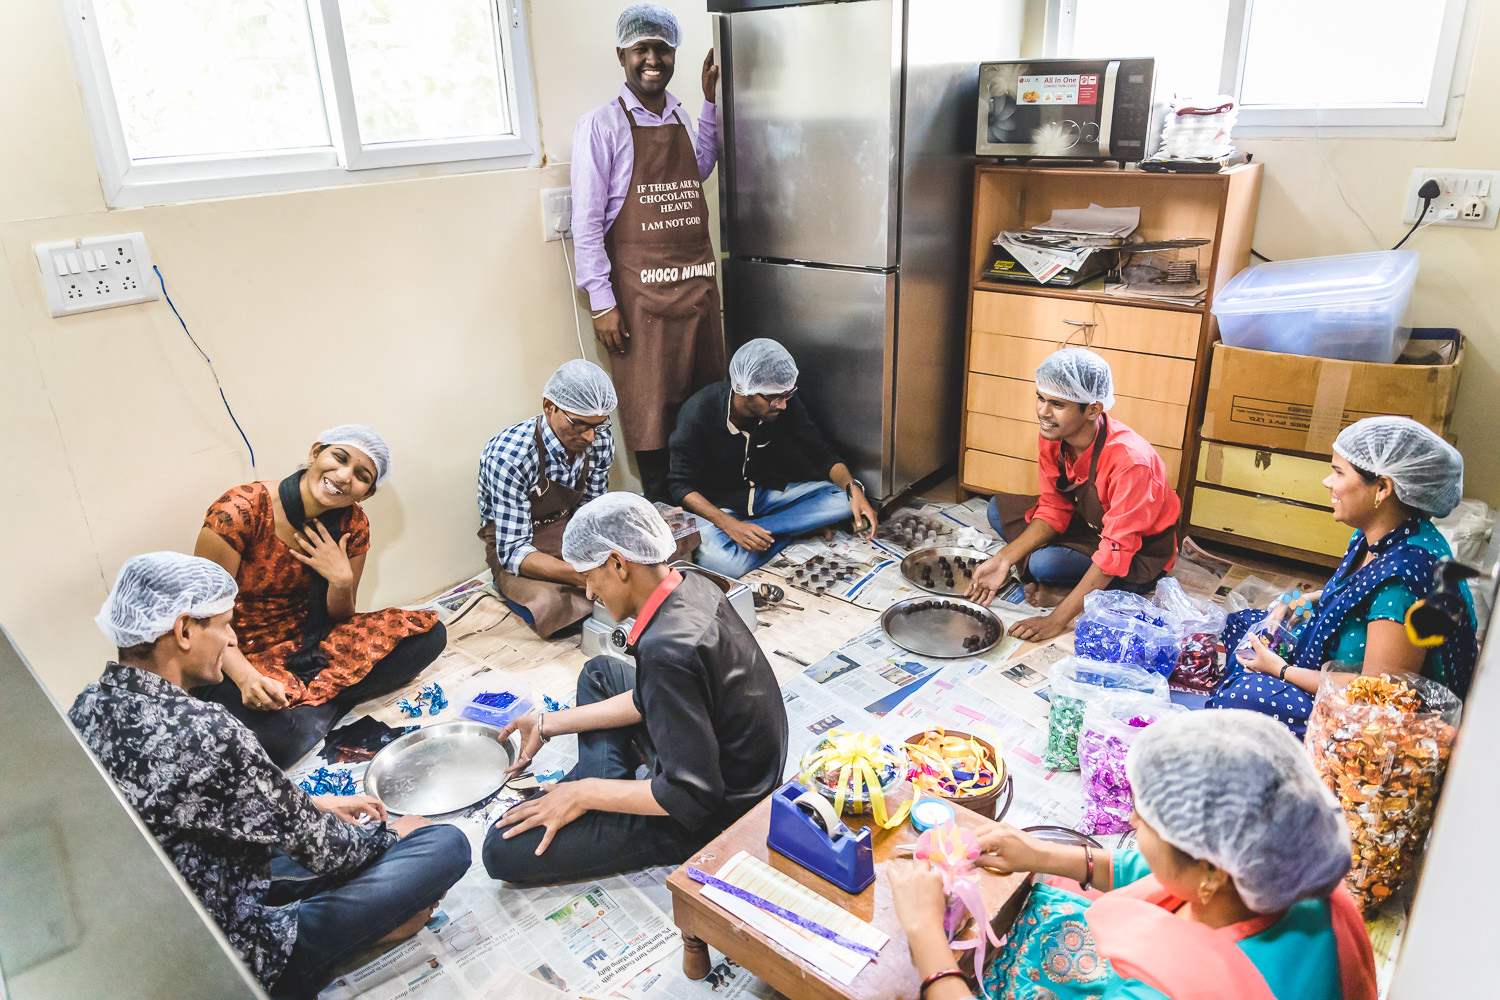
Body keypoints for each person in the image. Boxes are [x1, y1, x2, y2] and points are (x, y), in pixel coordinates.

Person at [70, 553, 470, 999]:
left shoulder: (88, 706)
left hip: (168, 908)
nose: (232, 638)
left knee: (314, 832)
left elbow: (195, 805)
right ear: (183, 630)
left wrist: (307, 805)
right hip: (235, 947)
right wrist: (393, 834)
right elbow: (331, 852)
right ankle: (361, 938)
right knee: (442, 845)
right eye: (223, 625)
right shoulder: (205, 731)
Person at [888, 710, 1377, 1000]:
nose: (1131, 824)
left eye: (1147, 820)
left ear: (1209, 871)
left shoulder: (1179, 990)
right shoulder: (1299, 878)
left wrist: (925, 936)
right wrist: (1035, 852)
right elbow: (1153, 874)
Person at [482, 493, 788, 883]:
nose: (590, 593)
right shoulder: (690, 581)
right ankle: (609, 790)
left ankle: (602, 796)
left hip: (716, 811)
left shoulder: (667, 650)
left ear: (617, 564)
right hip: (735, 757)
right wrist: (547, 723)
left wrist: (583, 792)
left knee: (500, 849)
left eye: (590, 577)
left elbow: (690, 796)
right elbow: (653, 697)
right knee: (600, 673)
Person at [194, 425, 445, 768]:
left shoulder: (353, 524)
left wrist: (341, 580)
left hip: (313, 642)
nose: (343, 477)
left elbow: (340, 617)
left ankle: (312, 705)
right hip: (240, 651)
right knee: (275, 744)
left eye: (361, 475)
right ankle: (324, 701)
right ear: (315, 454)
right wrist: (246, 678)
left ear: (366, 493)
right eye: (338, 458)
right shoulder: (241, 510)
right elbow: (201, 618)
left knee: (429, 635)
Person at [1209, 416, 1477, 736]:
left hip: (1376, 722)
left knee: (1243, 697)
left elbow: (1378, 695)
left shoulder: (1403, 584)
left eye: (1338, 472)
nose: (1327, 482)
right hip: (1346, 667)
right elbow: (1357, 590)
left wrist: (1281, 670)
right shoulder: (1380, 534)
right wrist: (1299, 600)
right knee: (1247, 623)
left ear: (1382, 488)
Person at [571, 4, 726, 501]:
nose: (652, 59)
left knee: (701, 398)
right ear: (623, 55)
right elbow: (587, 223)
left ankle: (704, 500)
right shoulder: (601, 125)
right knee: (650, 403)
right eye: (642, 49)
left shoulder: (680, 112)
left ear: (674, 54)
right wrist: (602, 302)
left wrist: (709, 104)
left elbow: (697, 169)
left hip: (697, 287)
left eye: (662, 48)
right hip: (640, 298)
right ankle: (665, 508)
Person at [967, 348, 1180, 642]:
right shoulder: (1053, 436)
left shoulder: (1131, 462)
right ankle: (1069, 582)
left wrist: (1056, 621)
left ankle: (1072, 593)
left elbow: (1115, 551)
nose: (1043, 412)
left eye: (1057, 404)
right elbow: (1053, 509)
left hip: (1138, 549)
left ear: (1092, 409)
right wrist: (1003, 559)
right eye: (1040, 398)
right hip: (1091, 523)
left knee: (1044, 564)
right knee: (997, 509)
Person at [668, 338, 880, 578]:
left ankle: (767, 532)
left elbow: (821, 451)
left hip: (766, 496)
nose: (783, 405)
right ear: (745, 390)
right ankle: (794, 529)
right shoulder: (698, 413)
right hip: (723, 508)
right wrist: (731, 526)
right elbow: (680, 485)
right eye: (774, 398)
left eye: (787, 395)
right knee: (720, 563)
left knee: (843, 500)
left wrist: (853, 488)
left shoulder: (781, 403)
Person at [478, 359, 617, 637]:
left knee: (641, 563)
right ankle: (509, 588)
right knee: (550, 604)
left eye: (598, 425)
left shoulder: (599, 439)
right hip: (522, 542)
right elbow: (514, 550)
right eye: (579, 424)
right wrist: (586, 577)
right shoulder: (509, 457)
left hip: (568, 529)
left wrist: (601, 558)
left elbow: (590, 513)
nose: (589, 437)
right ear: (549, 407)